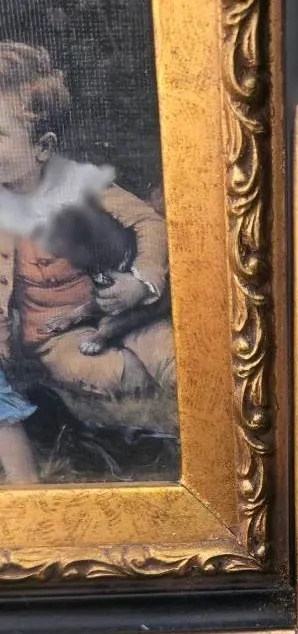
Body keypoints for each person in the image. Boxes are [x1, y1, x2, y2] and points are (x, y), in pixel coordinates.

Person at [0, 41, 176, 400]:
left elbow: (148, 222)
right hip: (56, 336)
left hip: (124, 312)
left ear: (43, 146)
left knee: (172, 356)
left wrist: (140, 282)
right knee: (119, 375)